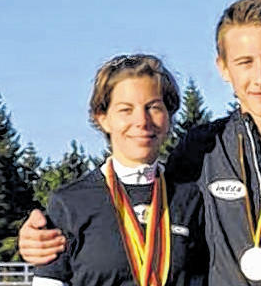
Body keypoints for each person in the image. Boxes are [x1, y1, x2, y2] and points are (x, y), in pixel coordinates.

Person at [19, 0, 261, 286]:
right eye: (244, 62)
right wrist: (38, 238)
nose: (260, 77)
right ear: (222, 67)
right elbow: (142, 202)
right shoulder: (202, 148)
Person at [29, 54, 207, 286]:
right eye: (126, 109)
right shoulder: (70, 203)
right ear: (102, 118)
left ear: (169, 116)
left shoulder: (193, 197)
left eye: (153, 107)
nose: (142, 121)